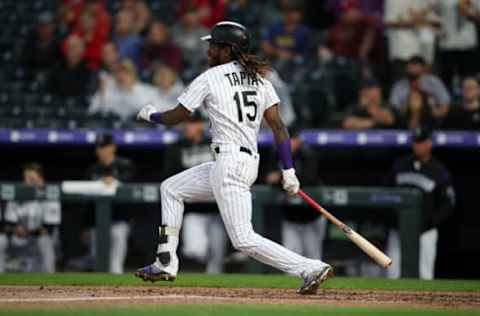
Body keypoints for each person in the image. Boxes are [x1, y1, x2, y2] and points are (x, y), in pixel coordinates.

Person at [134, 21, 332, 294]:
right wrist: (289, 170)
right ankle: (166, 260)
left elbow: (177, 116)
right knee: (171, 188)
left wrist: (150, 115)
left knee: (243, 239)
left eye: (214, 45)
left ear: (228, 49)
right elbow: (278, 126)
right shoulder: (260, 79)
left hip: (229, 163)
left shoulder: (210, 77)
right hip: (241, 162)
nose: (209, 50)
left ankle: (309, 267)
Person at [162, 113, 227, 274]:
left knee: (217, 259)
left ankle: (217, 293)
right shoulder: (176, 147)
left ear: (200, 125)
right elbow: (169, 178)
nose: (189, 126)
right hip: (193, 210)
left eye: (194, 123)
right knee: (195, 250)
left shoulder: (215, 144)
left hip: (217, 209)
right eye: (188, 123)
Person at [386, 127, 455, 279]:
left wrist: (430, 221)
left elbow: (448, 203)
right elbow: (386, 194)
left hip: (425, 231)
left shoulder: (439, 170)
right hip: (398, 230)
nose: (418, 146)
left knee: (425, 274)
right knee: (392, 274)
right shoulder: (399, 165)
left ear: (430, 143)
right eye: (416, 142)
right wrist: (392, 219)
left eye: (422, 142)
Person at [263, 128, 326, 261]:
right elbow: (268, 179)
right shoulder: (276, 153)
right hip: (290, 217)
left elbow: (309, 180)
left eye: (290, 140)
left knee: (313, 258)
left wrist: (280, 176)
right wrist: (282, 179)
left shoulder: (307, 153)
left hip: (311, 217)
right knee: (290, 258)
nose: (287, 144)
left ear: (298, 140)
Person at [86, 134, 136, 274]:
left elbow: (131, 189)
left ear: (113, 147)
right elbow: (87, 202)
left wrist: (114, 181)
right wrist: (86, 225)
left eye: (104, 147)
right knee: (98, 261)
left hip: (119, 220)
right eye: (98, 147)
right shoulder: (92, 170)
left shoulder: (125, 166)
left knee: (115, 266)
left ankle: (116, 291)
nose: (100, 150)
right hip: (97, 223)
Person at [0, 163, 61, 273]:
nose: (28, 182)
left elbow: (49, 229)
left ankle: (51, 279)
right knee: (1, 240)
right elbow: (9, 224)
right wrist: (15, 229)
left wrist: (28, 231)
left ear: (40, 179)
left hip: (38, 239)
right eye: (26, 178)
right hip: (18, 240)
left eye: (32, 178)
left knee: (45, 241)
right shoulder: (18, 195)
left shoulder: (49, 196)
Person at [384, 0, 440, 80]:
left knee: (422, 87)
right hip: (401, 53)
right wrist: (412, 22)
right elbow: (388, 22)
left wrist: (422, 17)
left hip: (420, 53)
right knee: (402, 87)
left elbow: (433, 20)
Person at [88, 59, 157, 120]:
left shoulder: (146, 90)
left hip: (140, 130)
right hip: (111, 128)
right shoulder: (108, 90)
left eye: (126, 73)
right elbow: (92, 110)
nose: (122, 76)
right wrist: (104, 94)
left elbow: (148, 111)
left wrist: (130, 90)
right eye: (118, 73)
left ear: (133, 74)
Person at [435, 0, 480, 89]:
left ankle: (468, 101)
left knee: (468, 80)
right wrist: (437, 30)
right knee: (446, 80)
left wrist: (469, 13)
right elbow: (433, 14)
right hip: (447, 44)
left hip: (467, 44)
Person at [20, 11, 61, 80]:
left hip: (54, 79)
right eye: (42, 26)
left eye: (47, 26)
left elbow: (60, 64)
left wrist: (48, 74)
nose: (44, 29)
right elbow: (25, 63)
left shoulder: (58, 43)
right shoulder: (30, 42)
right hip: (32, 78)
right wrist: (35, 74)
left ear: (53, 27)